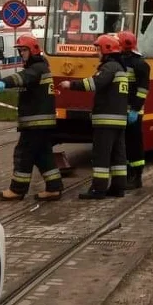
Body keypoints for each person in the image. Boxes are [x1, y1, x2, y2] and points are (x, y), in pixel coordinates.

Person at [0, 34, 62, 201]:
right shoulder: (41, 67)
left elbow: (22, 77)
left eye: (24, 50)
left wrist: (4, 82)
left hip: (36, 123)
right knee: (43, 156)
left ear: (33, 50)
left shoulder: (37, 68)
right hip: (40, 123)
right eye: (20, 50)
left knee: (23, 154)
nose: (21, 53)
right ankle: (54, 188)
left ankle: (17, 189)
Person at [60, 34, 129, 199]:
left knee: (101, 156)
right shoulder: (120, 68)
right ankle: (118, 187)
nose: (97, 53)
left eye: (98, 49)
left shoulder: (109, 67)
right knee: (118, 156)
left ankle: (98, 189)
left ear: (107, 50)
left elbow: (94, 83)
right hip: (118, 120)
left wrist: (71, 84)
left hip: (106, 121)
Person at [118, 30, 151, 190]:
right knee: (124, 144)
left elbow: (143, 90)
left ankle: (136, 177)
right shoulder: (120, 62)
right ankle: (127, 174)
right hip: (121, 110)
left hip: (134, 112)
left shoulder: (140, 64)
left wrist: (135, 110)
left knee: (134, 144)